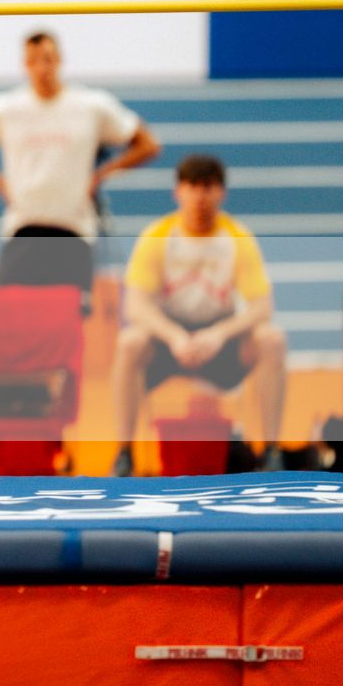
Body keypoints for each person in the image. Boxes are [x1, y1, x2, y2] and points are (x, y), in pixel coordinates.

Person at [0, 31, 159, 307]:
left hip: (74, 228)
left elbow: (147, 144)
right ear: (25, 64)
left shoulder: (91, 105)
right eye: (33, 60)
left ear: (59, 60)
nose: (41, 68)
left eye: (47, 59)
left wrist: (104, 174)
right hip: (23, 226)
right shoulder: (6, 108)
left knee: (69, 321)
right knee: (10, 317)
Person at [111, 155, 288, 476]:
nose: (200, 196)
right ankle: (124, 454)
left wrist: (219, 334)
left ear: (221, 193)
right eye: (192, 186)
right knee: (129, 342)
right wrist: (174, 336)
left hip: (221, 342)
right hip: (168, 342)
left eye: (208, 187)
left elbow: (263, 306)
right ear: (178, 192)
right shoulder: (158, 235)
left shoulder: (237, 237)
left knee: (271, 340)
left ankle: (271, 451)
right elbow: (134, 306)